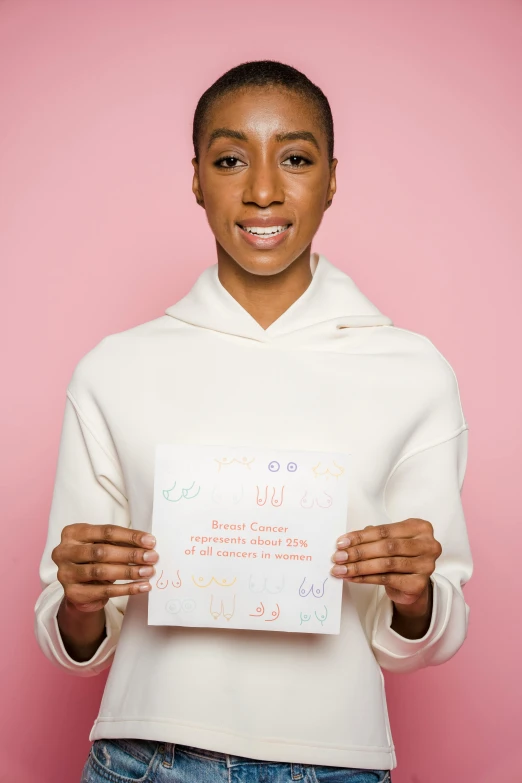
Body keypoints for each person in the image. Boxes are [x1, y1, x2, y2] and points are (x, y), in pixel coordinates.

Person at [34, 60, 473, 783]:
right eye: (231, 159)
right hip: (143, 758)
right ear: (197, 178)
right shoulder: (113, 369)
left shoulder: (414, 371)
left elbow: (429, 635)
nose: (263, 190)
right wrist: (79, 600)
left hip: (336, 763)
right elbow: (74, 631)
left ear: (332, 177)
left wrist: (416, 595)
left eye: (295, 159)